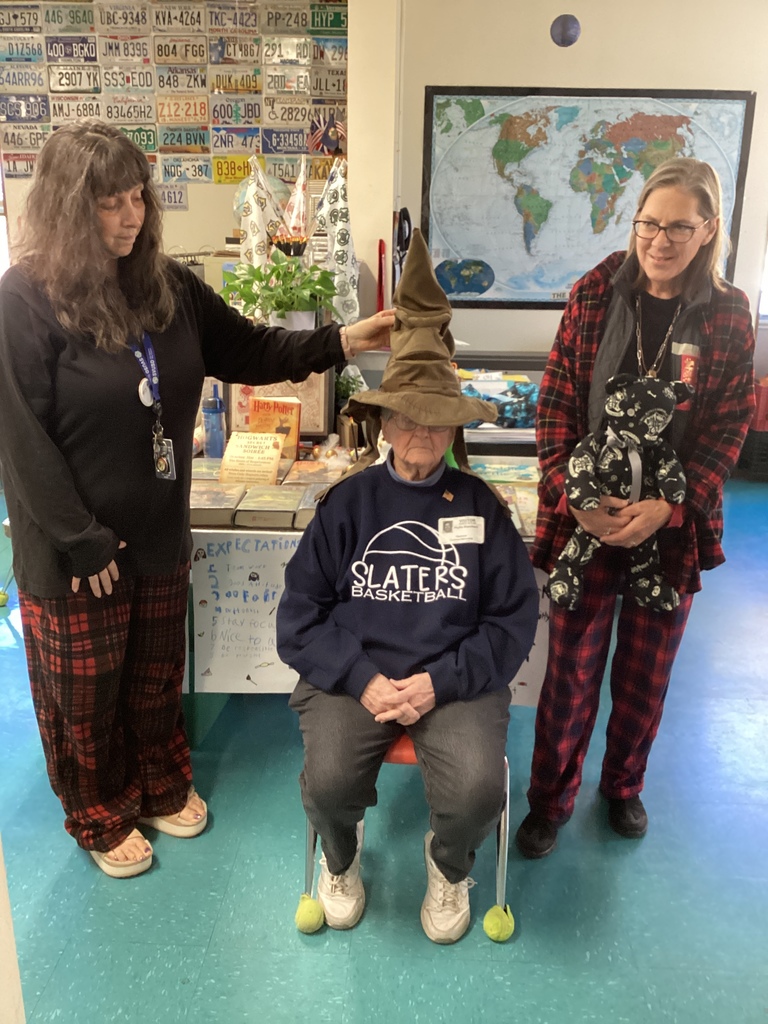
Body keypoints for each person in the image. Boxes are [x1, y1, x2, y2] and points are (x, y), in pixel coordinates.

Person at [0, 121, 394, 879]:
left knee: (153, 677)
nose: (128, 218)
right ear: (64, 209)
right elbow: (19, 438)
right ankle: (97, 811)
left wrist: (343, 341)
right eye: (106, 205)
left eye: (135, 198)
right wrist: (80, 537)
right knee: (84, 696)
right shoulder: (26, 298)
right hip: (75, 550)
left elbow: (249, 349)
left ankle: (155, 784)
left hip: (156, 535)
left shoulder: (165, 284)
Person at [276, 230, 538, 943]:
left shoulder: (484, 510)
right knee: (328, 781)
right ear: (385, 420)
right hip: (354, 677)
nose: (421, 434)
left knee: (480, 787)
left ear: (454, 427)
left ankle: (449, 865)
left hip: (451, 681)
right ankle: (341, 855)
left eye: (436, 420)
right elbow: (298, 617)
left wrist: (439, 681)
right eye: (407, 417)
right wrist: (360, 678)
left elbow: (512, 623)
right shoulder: (347, 506)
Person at [516, 157, 756, 859]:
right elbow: (557, 402)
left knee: (645, 677)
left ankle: (623, 786)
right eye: (648, 223)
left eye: (679, 226)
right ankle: (549, 801)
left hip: (669, 530)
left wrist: (668, 508)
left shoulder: (729, 313)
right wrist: (575, 498)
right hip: (586, 526)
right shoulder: (595, 291)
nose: (659, 240)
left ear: (708, 229)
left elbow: (729, 426)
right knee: (570, 673)